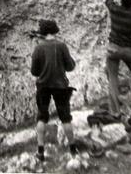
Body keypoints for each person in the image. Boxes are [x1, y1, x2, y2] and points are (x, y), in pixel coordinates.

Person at [30, 19, 78, 162]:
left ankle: (40, 151)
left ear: (42, 33)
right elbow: (70, 67)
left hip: (43, 86)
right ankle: (73, 150)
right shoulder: (61, 46)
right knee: (65, 118)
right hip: (61, 86)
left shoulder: (38, 48)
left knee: (42, 117)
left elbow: (34, 72)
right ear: (55, 30)